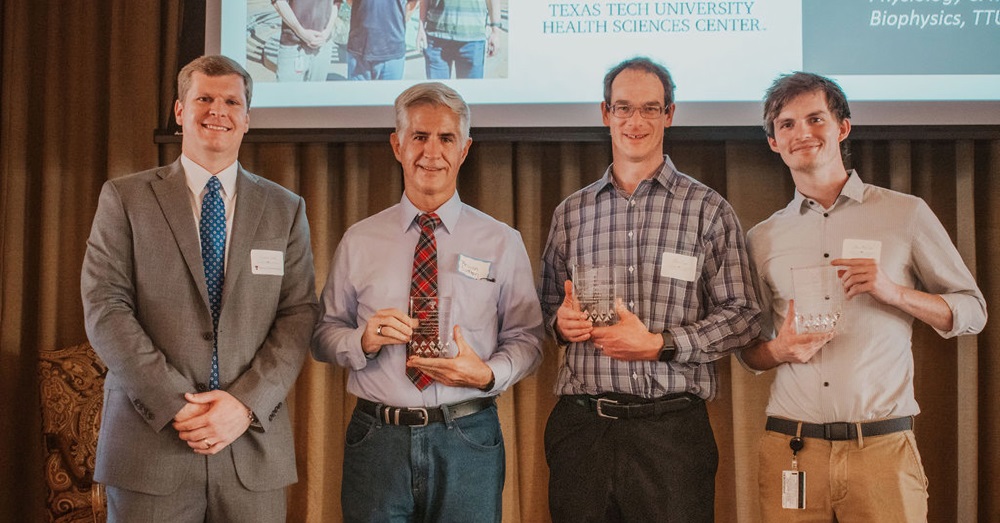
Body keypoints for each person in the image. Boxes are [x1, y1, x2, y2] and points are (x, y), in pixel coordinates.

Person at [740, 72, 987, 521]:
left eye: (815, 118)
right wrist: (779, 348)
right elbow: (749, 353)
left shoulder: (905, 213)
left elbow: (973, 311)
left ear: (842, 127)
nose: (802, 133)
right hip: (792, 449)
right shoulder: (762, 239)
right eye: (787, 124)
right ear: (774, 142)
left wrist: (894, 293)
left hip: (880, 447)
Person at [81, 55, 318, 521]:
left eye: (231, 101)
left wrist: (244, 405)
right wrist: (177, 405)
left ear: (247, 119)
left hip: (251, 449)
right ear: (179, 110)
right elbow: (105, 307)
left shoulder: (285, 209)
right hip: (150, 447)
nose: (218, 110)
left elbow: (299, 315)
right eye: (204, 98)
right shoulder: (125, 198)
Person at [539, 57, 762, 523]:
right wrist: (560, 322)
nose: (635, 121)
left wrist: (660, 345)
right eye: (623, 108)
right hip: (584, 429)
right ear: (605, 113)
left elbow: (743, 315)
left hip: (672, 434)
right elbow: (546, 307)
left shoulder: (708, 210)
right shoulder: (571, 213)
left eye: (649, 108)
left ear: (669, 114)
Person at [311, 82, 543, 522]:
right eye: (419, 137)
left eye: (446, 138)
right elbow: (324, 335)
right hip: (378, 438)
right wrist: (362, 340)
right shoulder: (359, 240)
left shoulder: (501, 241)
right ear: (397, 145)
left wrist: (489, 372)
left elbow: (528, 339)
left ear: (465, 149)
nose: (431, 151)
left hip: (468, 436)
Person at [416, 0, 501, 79]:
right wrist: (421, 27)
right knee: (437, 92)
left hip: (472, 40)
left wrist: (495, 31)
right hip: (436, 40)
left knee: (471, 92)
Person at [346, 0, 418, 80]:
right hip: (359, 50)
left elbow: (413, 2)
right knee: (358, 92)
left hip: (392, 51)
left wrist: (398, 20)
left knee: (390, 92)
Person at [272, 0, 336, 81]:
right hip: (294, 47)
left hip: (322, 46)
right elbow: (278, 2)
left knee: (317, 92)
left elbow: (336, 3)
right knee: (287, 92)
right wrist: (301, 32)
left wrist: (326, 32)